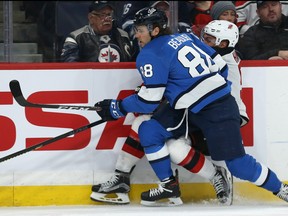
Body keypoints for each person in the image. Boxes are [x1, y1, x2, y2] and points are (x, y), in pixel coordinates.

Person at [94, 7, 288, 206]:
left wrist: (117, 107)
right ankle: (169, 186)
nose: (136, 34)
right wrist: (189, 90)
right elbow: (219, 66)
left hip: (216, 109)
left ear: (155, 30)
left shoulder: (149, 54)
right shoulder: (186, 37)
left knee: (238, 165)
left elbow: (148, 101)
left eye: (141, 30)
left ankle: (281, 189)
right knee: (148, 129)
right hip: (191, 108)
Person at [60, 1, 133, 62]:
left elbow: (133, 63)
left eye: (109, 14)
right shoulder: (76, 38)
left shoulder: (123, 36)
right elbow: (70, 67)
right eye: (102, 15)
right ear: (91, 18)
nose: (107, 18)